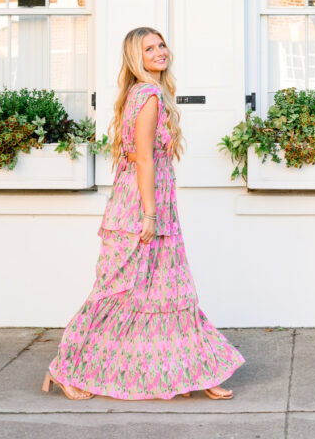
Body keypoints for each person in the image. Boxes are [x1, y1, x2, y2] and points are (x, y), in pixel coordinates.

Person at [43, 26, 245, 401]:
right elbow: (145, 160)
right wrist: (151, 216)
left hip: (149, 204)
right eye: (149, 48)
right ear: (137, 57)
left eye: (161, 44)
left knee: (168, 292)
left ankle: (190, 373)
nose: (159, 52)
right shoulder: (148, 95)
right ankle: (65, 370)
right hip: (143, 208)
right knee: (116, 294)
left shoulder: (141, 93)